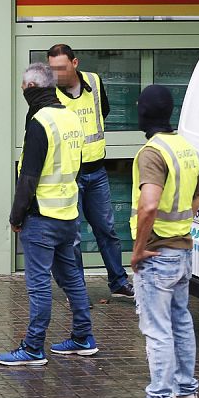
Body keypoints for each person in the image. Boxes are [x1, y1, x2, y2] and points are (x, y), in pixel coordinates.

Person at [0, 63, 98, 366]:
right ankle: (83, 338)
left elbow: (28, 177)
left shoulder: (40, 122)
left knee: (39, 284)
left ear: (30, 89)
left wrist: (16, 216)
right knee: (72, 280)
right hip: (68, 213)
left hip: (42, 217)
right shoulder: (69, 117)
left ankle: (33, 347)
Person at [115, 85, 199, 398]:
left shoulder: (151, 152)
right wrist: (182, 225)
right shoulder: (185, 148)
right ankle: (185, 392)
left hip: (156, 255)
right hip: (181, 252)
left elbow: (149, 203)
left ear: (144, 112)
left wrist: (138, 250)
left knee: (157, 330)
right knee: (181, 322)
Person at [48, 44, 135, 299]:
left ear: (75, 63)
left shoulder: (94, 82)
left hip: (96, 171)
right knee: (72, 237)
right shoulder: (51, 93)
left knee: (106, 229)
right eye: (52, 68)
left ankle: (118, 281)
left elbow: (102, 111)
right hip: (69, 175)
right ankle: (77, 290)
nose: (57, 73)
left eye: (61, 67)